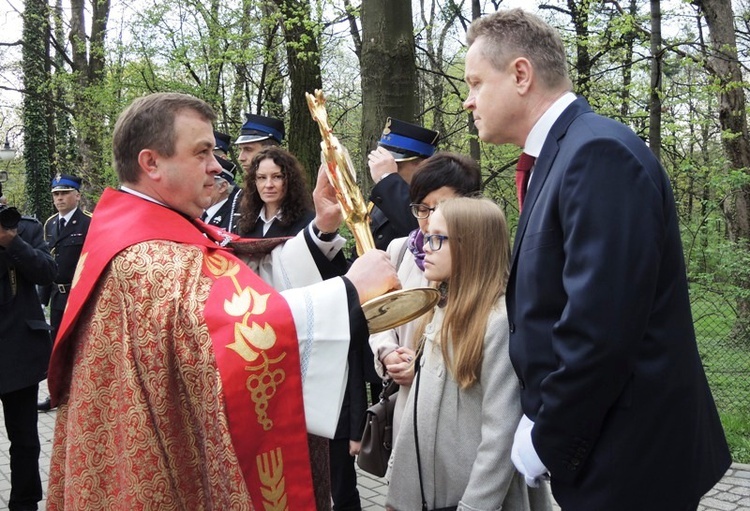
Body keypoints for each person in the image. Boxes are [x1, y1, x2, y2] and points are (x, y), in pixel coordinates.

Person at [45, 92, 399, 511]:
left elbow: (237, 279)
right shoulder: (148, 256)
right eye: (202, 152)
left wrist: (321, 228)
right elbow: (232, 332)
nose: (218, 165)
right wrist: (350, 292)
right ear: (151, 163)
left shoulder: (144, 231)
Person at [463, 9, 731, 510]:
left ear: (521, 75)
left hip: (631, 460)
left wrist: (548, 436)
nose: (468, 100)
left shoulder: (598, 154)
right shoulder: (563, 156)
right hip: (609, 448)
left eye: (477, 82)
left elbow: (601, 330)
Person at [387, 197, 551, 511]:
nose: (425, 248)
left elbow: (500, 436)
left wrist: (474, 507)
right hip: (425, 493)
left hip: (471, 499)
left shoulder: (498, 322)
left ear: (471, 246)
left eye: (437, 239)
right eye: (426, 237)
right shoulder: (441, 308)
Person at [369, 152, 482, 450]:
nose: (430, 220)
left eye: (441, 207)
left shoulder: (481, 265)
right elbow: (380, 316)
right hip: (408, 411)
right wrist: (388, 354)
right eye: (422, 208)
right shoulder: (399, 251)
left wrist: (421, 367)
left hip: (460, 416)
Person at [0, 199, 56, 511]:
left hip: (19, 351)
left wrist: (12, 241)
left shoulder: (24, 228)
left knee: (24, 439)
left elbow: (47, 272)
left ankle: (24, 503)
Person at [37, 174, 92, 412]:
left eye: (64, 193)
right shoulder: (50, 224)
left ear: (77, 196)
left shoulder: (89, 222)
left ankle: (85, 395)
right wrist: (42, 299)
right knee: (57, 346)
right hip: (58, 296)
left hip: (80, 295)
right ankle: (56, 394)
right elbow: (48, 261)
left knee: (82, 345)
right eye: (56, 194)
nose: (59, 198)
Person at [368, 117, 439, 251]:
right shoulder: (383, 198)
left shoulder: (437, 200)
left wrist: (387, 178)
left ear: (423, 165)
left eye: (395, 166)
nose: (389, 171)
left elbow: (421, 233)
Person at [236, 146, 315, 238]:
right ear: (254, 182)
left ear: (291, 180)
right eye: (262, 177)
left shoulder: (308, 222)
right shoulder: (245, 222)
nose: (269, 185)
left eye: (277, 177)